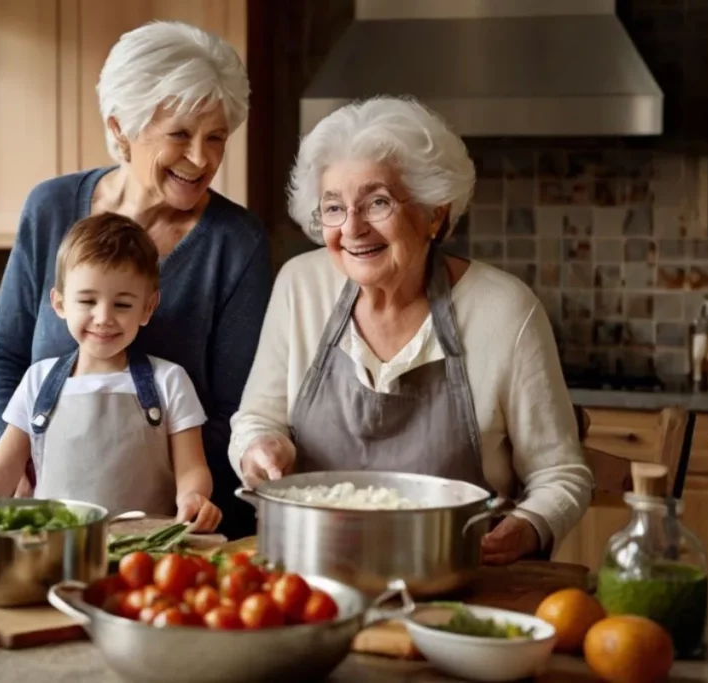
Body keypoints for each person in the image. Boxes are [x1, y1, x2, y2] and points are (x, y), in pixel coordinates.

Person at [229, 96, 594, 564]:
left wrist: (527, 527)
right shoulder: (300, 286)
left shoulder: (505, 311)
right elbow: (256, 419)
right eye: (334, 207)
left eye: (377, 202)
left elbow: (561, 474)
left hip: (455, 575)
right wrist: (261, 448)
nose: (353, 228)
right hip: (314, 570)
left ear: (434, 213)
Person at [0, 21, 271, 538]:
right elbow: (1, 361)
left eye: (216, 137)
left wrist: (175, 504)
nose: (201, 159)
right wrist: (31, 465)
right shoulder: (49, 210)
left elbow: (237, 410)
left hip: (175, 534)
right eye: (180, 134)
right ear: (120, 130)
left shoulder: (236, 243)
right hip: (54, 524)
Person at [0, 213, 222, 531]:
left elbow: (192, 468)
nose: (103, 318)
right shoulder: (37, 381)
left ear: (148, 307)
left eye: (123, 305)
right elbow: (1, 469)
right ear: (59, 303)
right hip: (54, 552)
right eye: (87, 300)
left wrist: (194, 496)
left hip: (145, 555)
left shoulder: (170, 381)